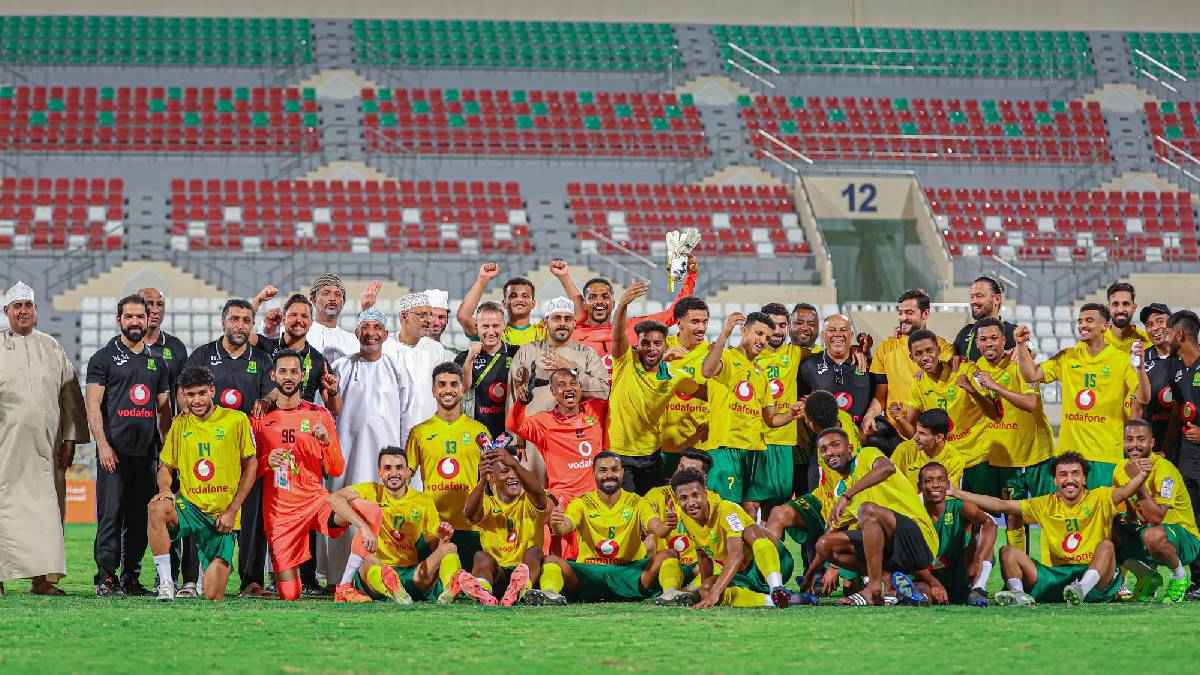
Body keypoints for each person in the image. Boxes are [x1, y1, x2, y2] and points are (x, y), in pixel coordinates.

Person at [952, 451, 1148, 606]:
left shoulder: (1101, 497)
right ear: (1055, 480)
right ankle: (1019, 595)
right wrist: (955, 492)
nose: (1069, 479)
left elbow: (1125, 492)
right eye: (1063, 475)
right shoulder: (1044, 504)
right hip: (1056, 576)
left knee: (1107, 546)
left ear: (1084, 479)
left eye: (1075, 474)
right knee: (1008, 552)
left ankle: (1081, 589)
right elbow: (999, 505)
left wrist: (1142, 475)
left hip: (1095, 577)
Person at [0, 282, 89, 597]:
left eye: (28, 305)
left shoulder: (51, 347)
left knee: (47, 513)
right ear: (6, 312)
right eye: (17, 307)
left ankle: (43, 579)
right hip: (5, 450)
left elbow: (70, 398)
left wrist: (70, 439)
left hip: (45, 451)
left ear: (35, 311)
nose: (23, 311)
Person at [184, 298, 274, 596]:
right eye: (234, 319)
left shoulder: (261, 360)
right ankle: (191, 579)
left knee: (250, 517)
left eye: (246, 320)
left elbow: (272, 395)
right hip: (207, 454)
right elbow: (184, 395)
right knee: (199, 511)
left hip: (246, 451)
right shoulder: (202, 354)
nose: (240, 325)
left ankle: (251, 580)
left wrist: (267, 400)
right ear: (223, 322)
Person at [85, 294, 172, 597]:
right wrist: (103, 446)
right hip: (114, 453)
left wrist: (165, 453)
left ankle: (130, 577)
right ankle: (105, 577)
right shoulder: (103, 358)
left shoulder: (157, 362)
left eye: (140, 316)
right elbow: (93, 406)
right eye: (129, 317)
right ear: (119, 320)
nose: (135, 322)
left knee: (138, 519)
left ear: (149, 319)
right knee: (110, 515)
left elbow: (164, 411)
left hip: (146, 453)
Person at [148, 366, 257, 601]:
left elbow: (251, 465)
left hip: (221, 518)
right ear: (182, 395)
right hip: (190, 510)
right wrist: (166, 490)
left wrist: (232, 511)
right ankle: (166, 584)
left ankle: (207, 572)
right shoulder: (180, 424)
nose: (196, 400)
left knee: (213, 594)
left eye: (201, 393)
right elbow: (166, 466)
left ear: (212, 391)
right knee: (157, 507)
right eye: (190, 395)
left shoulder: (236, 420)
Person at [797, 429, 941, 606]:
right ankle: (890, 583)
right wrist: (809, 577)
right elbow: (826, 540)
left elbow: (886, 468)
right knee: (826, 544)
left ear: (850, 448)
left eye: (835, 445)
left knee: (868, 511)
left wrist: (848, 496)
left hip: (919, 538)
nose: (830, 452)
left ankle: (873, 589)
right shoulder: (843, 488)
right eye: (824, 449)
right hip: (892, 554)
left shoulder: (867, 454)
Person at [326, 447, 486, 605]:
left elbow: (433, 547)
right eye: (387, 468)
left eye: (399, 468)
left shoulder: (423, 501)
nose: (394, 473)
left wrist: (442, 539)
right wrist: (363, 527)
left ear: (408, 472)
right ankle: (390, 586)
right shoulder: (370, 491)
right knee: (368, 560)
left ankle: (450, 589)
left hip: (411, 573)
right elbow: (334, 499)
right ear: (379, 472)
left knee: (450, 548)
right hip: (377, 569)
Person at [325, 309, 415, 586]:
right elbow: (330, 412)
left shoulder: (396, 368)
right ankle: (338, 579)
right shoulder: (341, 367)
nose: (371, 332)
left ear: (386, 335)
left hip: (384, 462)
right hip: (346, 457)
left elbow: (406, 416)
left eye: (377, 327)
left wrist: (404, 462)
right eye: (365, 327)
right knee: (343, 510)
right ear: (357, 333)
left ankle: (376, 577)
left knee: (380, 514)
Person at [1017, 303, 1149, 487]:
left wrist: (1140, 368)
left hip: (1106, 455)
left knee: (1102, 514)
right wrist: (1021, 345)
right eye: (1080, 321)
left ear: (1105, 326)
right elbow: (1031, 375)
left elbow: (1143, 398)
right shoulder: (1067, 357)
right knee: (1070, 513)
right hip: (1069, 457)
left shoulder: (1121, 360)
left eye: (1089, 320)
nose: (1082, 325)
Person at [252, 350, 347, 601]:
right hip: (280, 511)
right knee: (290, 593)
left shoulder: (319, 415)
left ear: (303, 375)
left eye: (294, 371)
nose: (289, 376)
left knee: (360, 512)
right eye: (283, 371)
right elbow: (247, 469)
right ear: (273, 375)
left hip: (314, 501)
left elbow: (337, 469)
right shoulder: (260, 418)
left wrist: (326, 443)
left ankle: (354, 581)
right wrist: (265, 462)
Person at [700, 311, 805, 518]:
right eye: (758, 334)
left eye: (766, 337)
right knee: (724, 511)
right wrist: (724, 334)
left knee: (750, 511)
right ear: (743, 331)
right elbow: (707, 371)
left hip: (754, 451)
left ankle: (748, 551)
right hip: (726, 449)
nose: (762, 341)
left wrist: (791, 414)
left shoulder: (760, 374)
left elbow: (771, 419)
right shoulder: (728, 357)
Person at [530, 452, 670, 605]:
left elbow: (658, 529)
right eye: (603, 470)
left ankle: (671, 593)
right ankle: (550, 594)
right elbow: (564, 528)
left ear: (622, 472)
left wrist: (667, 525)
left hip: (627, 571)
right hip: (590, 572)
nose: (609, 475)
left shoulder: (638, 502)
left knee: (667, 555)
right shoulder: (581, 503)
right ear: (594, 473)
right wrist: (556, 523)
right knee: (551, 560)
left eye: (614, 469)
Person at [970, 317, 1056, 552]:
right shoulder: (978, 368)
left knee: (1052, 513)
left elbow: (1030, 403)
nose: (989, 344)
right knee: (1012, 516)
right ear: (977, 343)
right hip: (1006, 460)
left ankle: (1058, 568)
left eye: (994, 338)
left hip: (1038, 455)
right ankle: (1017, 576)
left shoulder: (1021, 362)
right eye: (983, 339)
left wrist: (996, 386)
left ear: (1003, 340)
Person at [508, 367, 605, 558]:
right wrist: (521, 403)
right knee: (544, 514)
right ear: (552, 392)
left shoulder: (597, 410)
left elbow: (611, 389)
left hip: (595, 497)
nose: (568, 388)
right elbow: (515, 425)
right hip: (563, 498)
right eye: (561, 385)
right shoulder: (545, 422)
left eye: (573, 384)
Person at [671, 468, 795, 609]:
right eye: (684, 498)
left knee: (750, 530)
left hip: (776, 562)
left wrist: (716, 591)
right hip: (743, 574)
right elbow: (702, 555)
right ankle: (775, 600)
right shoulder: (685, 517)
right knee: (706, 590)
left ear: (705, 493)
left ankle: (777, 588)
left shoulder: (726, 509)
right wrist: (708, 592)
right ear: (677, 500)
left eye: (695, 495)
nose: (691, 502)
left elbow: (737, 554)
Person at [406, 362, 490, 568]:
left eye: (454, 384)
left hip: (471, 527)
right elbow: (405, 477)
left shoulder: (479, 431)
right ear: (434, 391)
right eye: (442, 384)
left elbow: (494, 480)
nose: (448, 390)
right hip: (434, 526)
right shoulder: (419, 432)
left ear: (463, 389)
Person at [895, 329, 1000, 482]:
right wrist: (900, 419)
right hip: (946, 464)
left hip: (978, 459)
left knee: (981, 506)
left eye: (929, 351)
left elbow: (994, 414)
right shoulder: (918, 385)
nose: (925, 357)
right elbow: (913, 434)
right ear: (912, 358)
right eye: (918, 354)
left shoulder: (966, 370)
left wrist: (971, 390)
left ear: (938, 350)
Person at [1113, 419, 1199, 603]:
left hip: (1184, 538)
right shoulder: (1120, 468)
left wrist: (1139, 481)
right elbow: (1128, 509)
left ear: (1151, 443)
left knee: (1152, 535)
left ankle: (1179, 577)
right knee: (1105, 529)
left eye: (1140, 439)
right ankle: (1147, 576)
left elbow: (1157, 517)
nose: (1134, 444)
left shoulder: (1164, 470)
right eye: (1129, 439)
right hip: (1149, 532)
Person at [568, 256, 697, 376]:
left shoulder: (634, 328)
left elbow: (672, 314)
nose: (599, 301)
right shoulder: (572, 334)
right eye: (592, 297)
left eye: (605, 296)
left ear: (613, 303)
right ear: (584, 304)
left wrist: (691, 276)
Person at [608, 281, 678, 493]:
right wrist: (622, 305)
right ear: (636, 344)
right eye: (645, 343)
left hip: (652, 454)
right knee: (628, 514)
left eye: (657, 343)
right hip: (620, 454)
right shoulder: (625, 361)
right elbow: (618, 334)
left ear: (666, 345)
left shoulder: (674, 374)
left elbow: (705, 389)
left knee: (653, 513)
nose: (651, 348)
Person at [463, 444, 549, 606]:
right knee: (481, 557)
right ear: (492, 477)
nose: (513, 475)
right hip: (498, 573)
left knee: (535, 552)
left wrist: (514, 464)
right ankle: (483, 591)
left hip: (528, 571)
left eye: (515, 470)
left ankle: (522, 588)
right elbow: (469, 514)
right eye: (504, 471)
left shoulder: (529, 500)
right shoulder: (487, 503)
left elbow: (538, 492)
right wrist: (482, 480)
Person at [864, 289, 954, 433]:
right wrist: (869, 415)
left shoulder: (943, 348)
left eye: (909, 313)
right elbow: (880, 397)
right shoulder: (885, 349)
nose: (903, 318)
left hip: (933, 435)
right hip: (895, 432)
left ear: (925, 314)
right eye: (900, 313)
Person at [508, 296, 609, 419]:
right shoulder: (526, 352)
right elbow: (512, 401)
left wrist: (572, 369)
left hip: (573, 433)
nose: (562, 323)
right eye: (556, 318)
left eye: (567, 319)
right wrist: (515, 437)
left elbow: (604, 392)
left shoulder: (587, 354)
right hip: (534, 434)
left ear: (574, 323)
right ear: (546, 322)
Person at [756, 302, 813, 512]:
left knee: (780, 499)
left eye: (782, 325)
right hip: (756, 440)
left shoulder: (795, 353)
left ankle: (774, 543)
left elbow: (826, 357)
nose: (778, 331)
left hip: (785, 440)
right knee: (753, 501)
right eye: (773, 325)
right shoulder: (749, 354)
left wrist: (855, 350)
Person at [917, 462, 995, 605]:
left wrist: (978, 559)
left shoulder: (959, 507)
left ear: (947, 485)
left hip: (959, 572)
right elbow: (910, 558)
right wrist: (933, 583)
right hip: (927, 574)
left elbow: (989, 524)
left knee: (982, 537)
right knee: (923, 594)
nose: (935, 485)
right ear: (919, 486)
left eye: (940, 480)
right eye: (928, 481)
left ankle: (978, 590)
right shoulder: (914, 514)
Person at [643, 450, 712, 606]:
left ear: (704, 478)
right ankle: (670, 593)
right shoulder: (655, 495)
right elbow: (648, 531)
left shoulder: (712, 499)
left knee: (718, 566)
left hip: (699, 567)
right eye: (680, 467)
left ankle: (688, 593)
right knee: (668, 560)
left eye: (689, 471)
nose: (681, 473)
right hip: (666, 565)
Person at [1165, 309, 1200, 597]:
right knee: (1193, 520)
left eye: (1168, 331)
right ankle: (1198, 581)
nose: (1164, 336)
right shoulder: (1177, 369)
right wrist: (1166, 451)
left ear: (1180, 334)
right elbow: (1178, 413)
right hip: (1187, 458)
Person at [383, 292, 448, 444]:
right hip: (392, 431)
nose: (428, 320)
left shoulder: (435, 350)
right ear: (404, 316)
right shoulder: (386, 348)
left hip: (429, 431)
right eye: (422, 315)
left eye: (430, 315)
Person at [458, 262, 573, 347]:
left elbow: (580, 315)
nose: (519, 300)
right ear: (504, 303)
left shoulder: (544, 330)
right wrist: (483, 279)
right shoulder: (494, 331)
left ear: (533, 303)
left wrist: (564, 277)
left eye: (525, 296)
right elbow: (464, 317)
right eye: (513, 296)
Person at [455, 301, 520, 438]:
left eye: (495, 326)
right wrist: (470, 359)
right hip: (475, 435)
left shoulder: (518, 353)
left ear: (504, 326)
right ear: (476, 327)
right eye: (485, 326)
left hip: (509, 436)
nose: (491, 332)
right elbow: (462, 389)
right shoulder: (464, 357)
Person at [660, 297, 712, 467]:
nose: (701, 328)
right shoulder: (660, 347)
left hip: (698, 449)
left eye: (705, 322)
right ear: (679, 322)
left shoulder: (713, 354)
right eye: (695, 322)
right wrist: (662, 363)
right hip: (659, 446)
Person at [254, 294, 333, 404]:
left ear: (311, 322)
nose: (298, 320)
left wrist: (333, 392)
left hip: (303, 420)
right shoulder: (267, 347)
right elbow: (242, 334)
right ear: (283, 319)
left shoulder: (318, 359)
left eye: (304, 316)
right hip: (268, 419)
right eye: (293, 315)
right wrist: (257, 301)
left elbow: (335, 409)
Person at [799, 314, 872, 425]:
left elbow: (879, 398)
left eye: (843, 330)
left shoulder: (867, 363)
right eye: (832, 330)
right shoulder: (808, 365)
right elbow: (801, 402)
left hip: (862, 436)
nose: (838, 334)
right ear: (823, 335)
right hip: (825, 437)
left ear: (851, 334)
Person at [889, 409, 966, 490]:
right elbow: (891, 481)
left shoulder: (955, 460)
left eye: (922, 433)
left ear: (939, 437)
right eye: (917, 431)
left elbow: (946, 495)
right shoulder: (904, 449)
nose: (915, 438)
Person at [137, 287, 189, 402]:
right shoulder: (121, 345)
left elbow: (183, 391)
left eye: (160, 304)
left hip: (165, 419)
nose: (155, 310)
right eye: (149, 303)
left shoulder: (176, 347)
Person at [1139, 302, 1177, 455]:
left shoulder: (1187, 354)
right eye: (1149, 324)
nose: (1154, 328)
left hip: (1185, 443)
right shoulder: (1141, 360)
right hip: (1152, 446)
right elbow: (1137, 406)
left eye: (1160, 321)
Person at [952, 276, 1017, 361]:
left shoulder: (1012, 332)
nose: (973, 301)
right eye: (972, 297)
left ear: (997, 299)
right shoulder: (965, 333)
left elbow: (1028, 360)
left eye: (979, 296)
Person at [306, 273, 361, 365]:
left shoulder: (353, 341)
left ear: (343, 302)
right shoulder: (300, 336)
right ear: (313, 299)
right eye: (326, 293)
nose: (332, 299)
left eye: (338, 294)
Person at [1104, 282, 1151, 352]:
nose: (1120, 310)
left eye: (1126, 304)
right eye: (1115, 304)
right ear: (1108, 308)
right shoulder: (1097, 341)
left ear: (1134, 308)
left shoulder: (1147, 342)